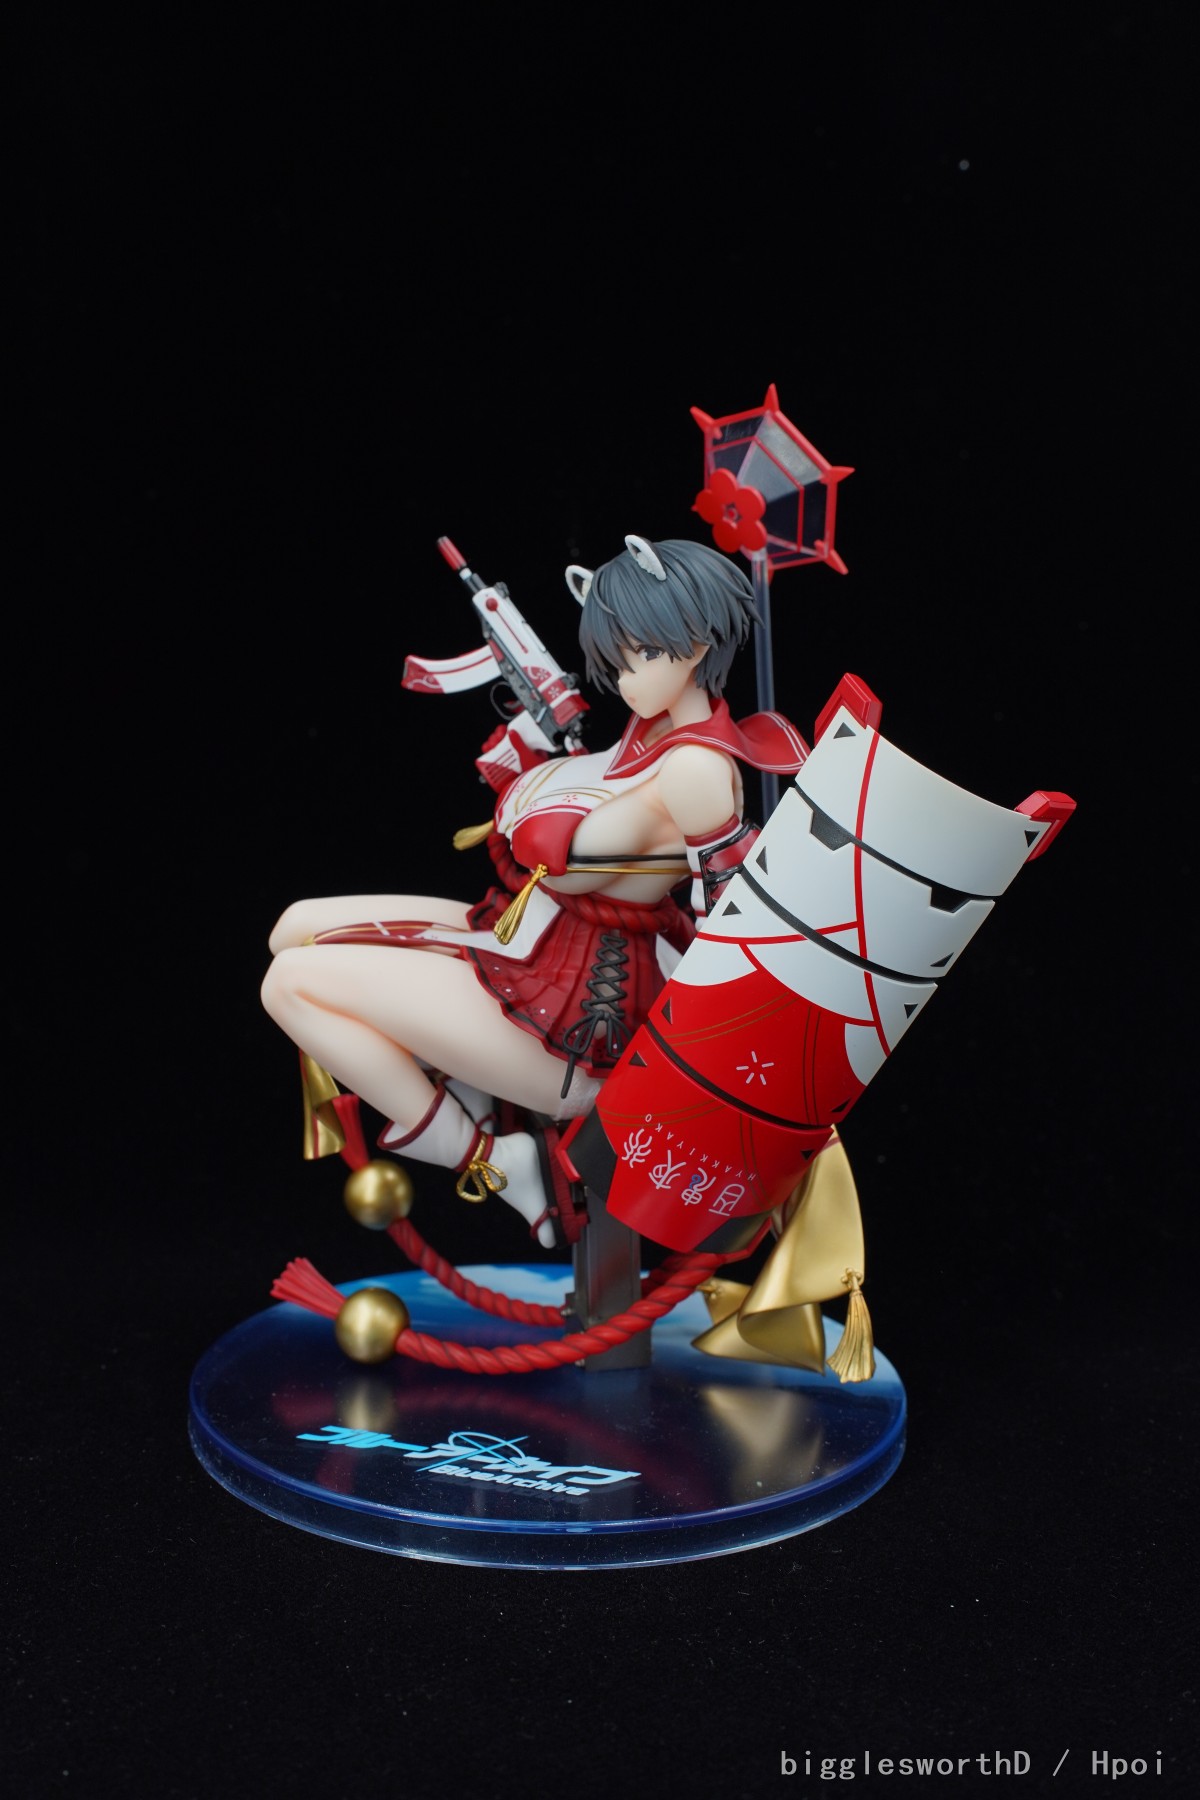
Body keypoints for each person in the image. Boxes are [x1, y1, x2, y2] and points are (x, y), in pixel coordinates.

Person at [261, 535, 808, 1245]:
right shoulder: (650, 726)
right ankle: (461, 1077)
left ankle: (495, 1159)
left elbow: (725, 929)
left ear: (697, 643)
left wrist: (689, 1078)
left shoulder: (698, 770)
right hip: (523, 942)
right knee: (294, 925)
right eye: (616, 656)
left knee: (291, 985)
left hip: (576, 1023)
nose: (624, 676)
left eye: (639, 653)